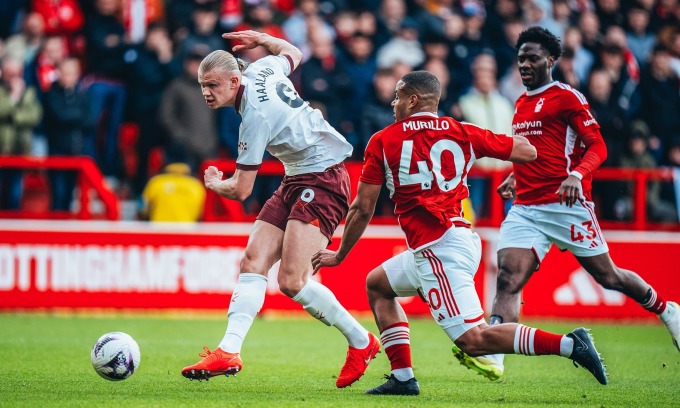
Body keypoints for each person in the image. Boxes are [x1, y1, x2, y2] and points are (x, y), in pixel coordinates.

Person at [312, 70, 609, 395]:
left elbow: (362, 208)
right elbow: (528, 151)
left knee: (474, 340)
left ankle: (570, 344)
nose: (393, 103)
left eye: (398, 96)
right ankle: (402, 377)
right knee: (378, 285)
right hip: (457, 239)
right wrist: (515, 157)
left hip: (437, 250)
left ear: (412, 100)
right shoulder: (460, 130)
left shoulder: (384, 140)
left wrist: (339, 253)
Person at [454, 26, 680, 381]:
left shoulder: (567, 97)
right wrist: (517, 175)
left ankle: (667, 311)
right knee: (510, 278)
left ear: (551, 60)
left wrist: (577, 174)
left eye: (532, 58)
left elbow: (598, 147)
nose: (524, 64)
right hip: (527, 206)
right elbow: (536, 151)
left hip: (565, 203)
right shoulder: (521, 102)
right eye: (520, 59)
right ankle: (496, 353)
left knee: (608, 276)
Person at [181, 30, 380, 388]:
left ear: (233, 80)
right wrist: (261, 37)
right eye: (201, 85)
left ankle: (361, 341)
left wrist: (213, 182)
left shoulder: (253, 116)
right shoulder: (264, 68)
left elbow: (241, 190)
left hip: (323, 181)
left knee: (291, 281)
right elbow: (293, 51)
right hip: (297, 178)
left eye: (212, 84)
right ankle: (228, 350)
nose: (207, 92)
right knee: (252, 260)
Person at [139, 162, 205, 222]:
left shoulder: (156, 182)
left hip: (159, 228)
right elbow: (200, 213)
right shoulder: (195, 185)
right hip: (187, 230)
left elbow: (144, 209)